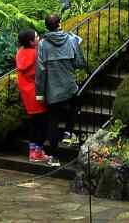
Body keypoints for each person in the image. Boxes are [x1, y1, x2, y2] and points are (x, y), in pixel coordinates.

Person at [34, 12, 86, 159]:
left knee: (53, 121)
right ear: (60, 24)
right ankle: (68, 132)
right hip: (69, 87)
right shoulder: (71, 40)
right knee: (75, 106)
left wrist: (39, 94)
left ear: (46, 27)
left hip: (52, 91)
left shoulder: (43, 44)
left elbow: (40, 71)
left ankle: (54, 157)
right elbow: (79, 63)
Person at [13, 28, 48, 163]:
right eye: (37, 37)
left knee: (34, 123)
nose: (39, 38)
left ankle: (32, 151)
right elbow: (40, 73)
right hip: (37, 92)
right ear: (31, 42)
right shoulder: (36, 54)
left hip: (26, 92)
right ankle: (38, 152)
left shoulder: (20, 53)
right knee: (42, 124)